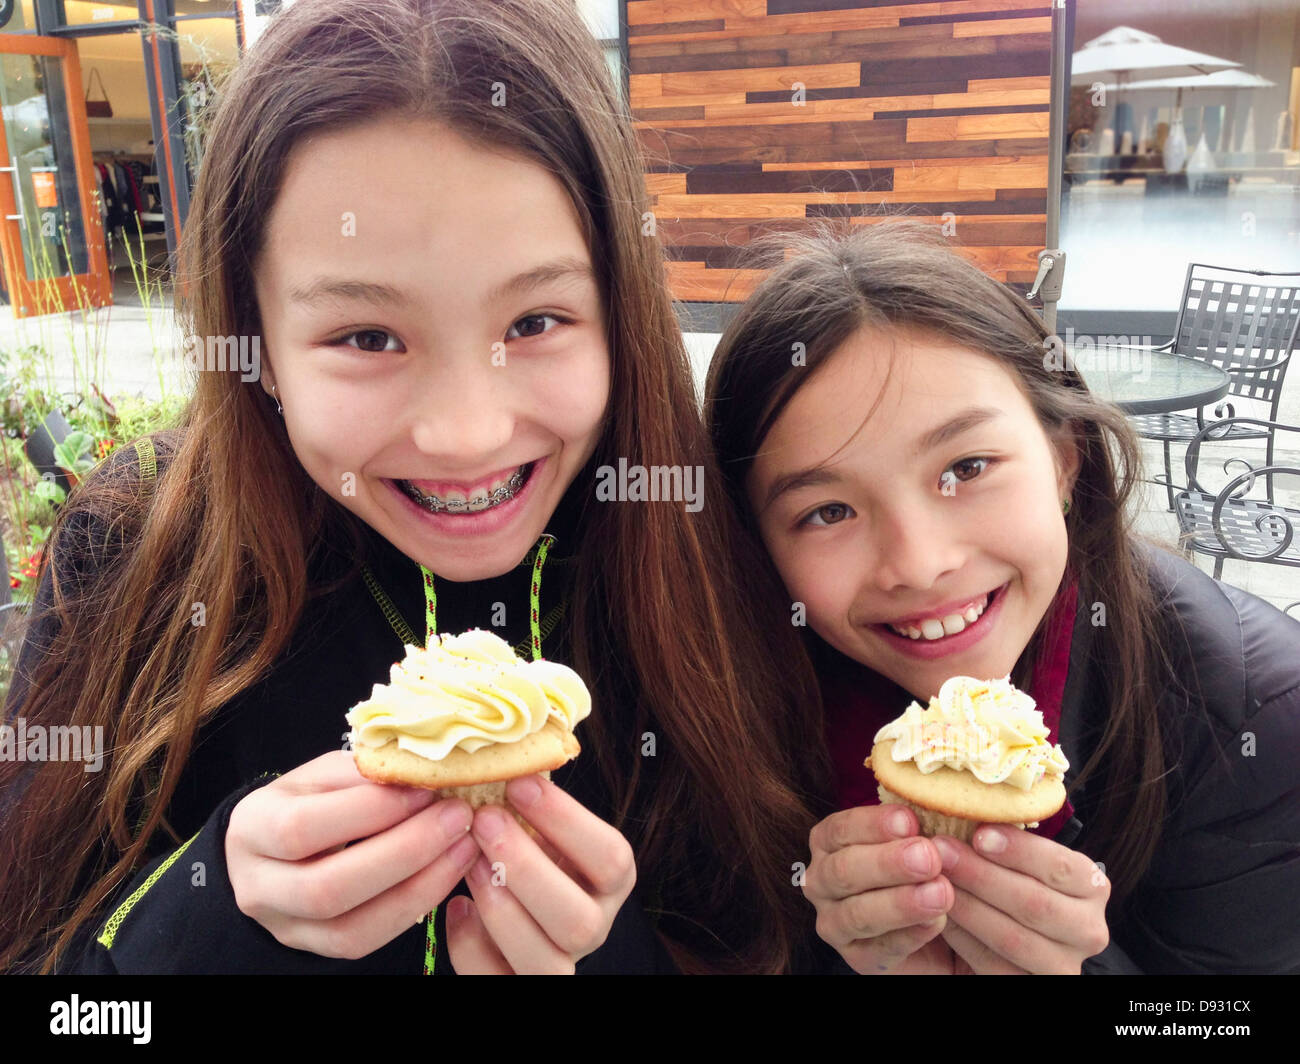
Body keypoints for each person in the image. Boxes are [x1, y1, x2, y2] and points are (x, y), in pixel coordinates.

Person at [0, 0, 833, 975]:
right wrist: (180, 933)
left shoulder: (711, 552)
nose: (465, 434)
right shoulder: (132, 550)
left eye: (535, 321)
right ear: (258, 346)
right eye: (366, 337)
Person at [704, 219, 1300, 975]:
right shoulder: (732, 706)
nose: (919, 566)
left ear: (1061, 461)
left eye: (969, 466)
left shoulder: (1255, 715)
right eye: (828, 512)